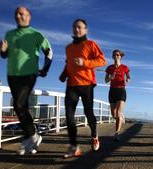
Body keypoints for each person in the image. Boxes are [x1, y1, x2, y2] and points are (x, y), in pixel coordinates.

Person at [0, 6, 53, 155]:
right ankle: (33, 137)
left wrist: (45, 69)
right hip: (12, 75)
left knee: (19, 104)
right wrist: (3, 50)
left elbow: (49, 52)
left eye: (22, 13)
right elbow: (5, 56)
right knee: (20, 107)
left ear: (29, 16)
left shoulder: (36, 34)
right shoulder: (9, 34)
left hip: (29, 74)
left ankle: (30, 137)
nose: (18, 15)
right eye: (16, 13)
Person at [59, 18, 106, 158]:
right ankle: (74, 147)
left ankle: (94, 135)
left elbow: (102, 60)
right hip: (72, 85)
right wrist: (63, 74)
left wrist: (84, 62)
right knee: (69, 116)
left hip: (87, 84)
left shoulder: (91, 44)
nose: (77, 29)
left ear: (85, 30)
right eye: (74, 27)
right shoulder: (68, 48)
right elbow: (69, 64)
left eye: (80, 27)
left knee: (88, 112)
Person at [105, 49, 130, 142]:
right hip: (112, 91)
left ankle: (117, 133)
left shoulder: (125, 67)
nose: (116, 56)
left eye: (118, 55)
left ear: (120, 57)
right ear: (112, 56)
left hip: (121, 90)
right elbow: (106, 80)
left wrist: (127, 79)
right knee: (114, 114)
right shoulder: (109, 68)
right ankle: (119, 119)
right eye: (114, 55)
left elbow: (128, 76)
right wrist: (110, 78)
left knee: (118, 113)